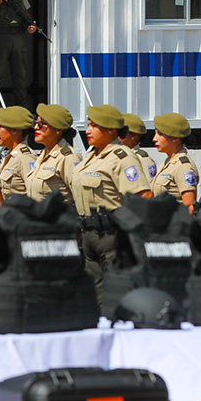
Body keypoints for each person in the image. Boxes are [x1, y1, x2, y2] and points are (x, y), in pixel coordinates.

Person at [72, 105, 153, 304]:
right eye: (88, 125)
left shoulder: (123, 158)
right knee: (93, 298)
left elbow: (143, 197)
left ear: (111, 130)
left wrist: (130, 234)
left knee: (115, 297)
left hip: (112, 237)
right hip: (89, 236)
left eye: (94, 126)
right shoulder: (91, 157)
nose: (87, 130)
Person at [25, 103, 80, 204]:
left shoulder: (68, 157)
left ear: (58, 129)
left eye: (42, 124)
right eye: (35, 123)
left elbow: (80, 197)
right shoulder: (43, 154)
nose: (36, 127)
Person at [151, 113, 199, 214]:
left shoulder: (183, 166)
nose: (154, 139)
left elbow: (189, 206)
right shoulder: (168, 162)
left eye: (160, 134)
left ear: (175, 138)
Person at [0, 106, 36, 199]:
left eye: (0, 126)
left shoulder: (25, 158)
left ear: (15, 131)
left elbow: (35, 194)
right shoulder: (10, 157)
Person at [119, 113, 157, 182]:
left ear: (134, 135)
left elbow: (149, 187)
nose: (116, 136)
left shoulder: (141, 159)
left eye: (121, 133)